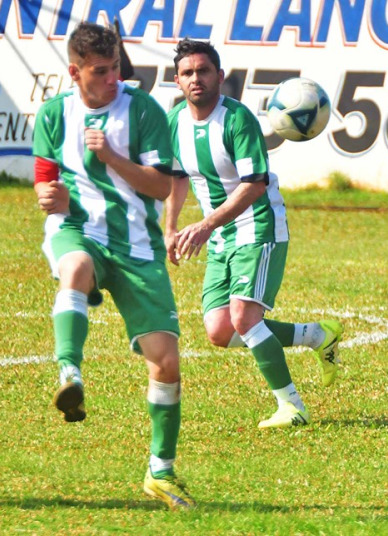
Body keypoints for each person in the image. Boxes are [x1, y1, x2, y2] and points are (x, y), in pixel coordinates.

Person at [32, 22, 195, 510]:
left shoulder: (142, 110)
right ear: (74, 72)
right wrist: (49, 196)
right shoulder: (54, 114)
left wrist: (112, 157)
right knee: (76, 267)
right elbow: (45, 182)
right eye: (100, 72)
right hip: (79, 229)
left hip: (138, 246)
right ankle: (69, 374)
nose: (111, 79)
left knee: (165, 361)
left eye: (116, 68)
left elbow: (162, 188)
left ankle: (160, 473)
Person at [164, 38, 344, 429]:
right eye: (188, 73)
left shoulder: (236, 119)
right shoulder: (175, 120)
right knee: (219, 330)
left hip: (258, 225)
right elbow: (177, 176)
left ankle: (292, 407)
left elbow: (255, 184)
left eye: (204, 71)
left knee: (244, 317)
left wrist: (206, 224)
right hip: (220, 235)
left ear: (220, 76)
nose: (196, 79)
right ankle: (316, 336)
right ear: (177, 81)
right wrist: (172, 227)